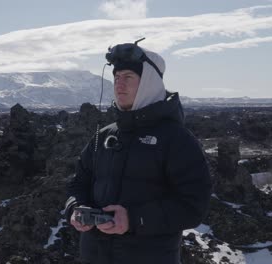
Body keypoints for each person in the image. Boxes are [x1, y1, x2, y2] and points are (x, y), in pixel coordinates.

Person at [64, 41, 212, 264]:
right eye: (116, 78)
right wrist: (75, 208)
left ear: (148, 84)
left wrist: (133, 219)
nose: (119, 85)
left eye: (128, 78)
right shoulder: (104, 136)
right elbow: (78, 184)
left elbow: (193, 206)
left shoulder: (176, 139)